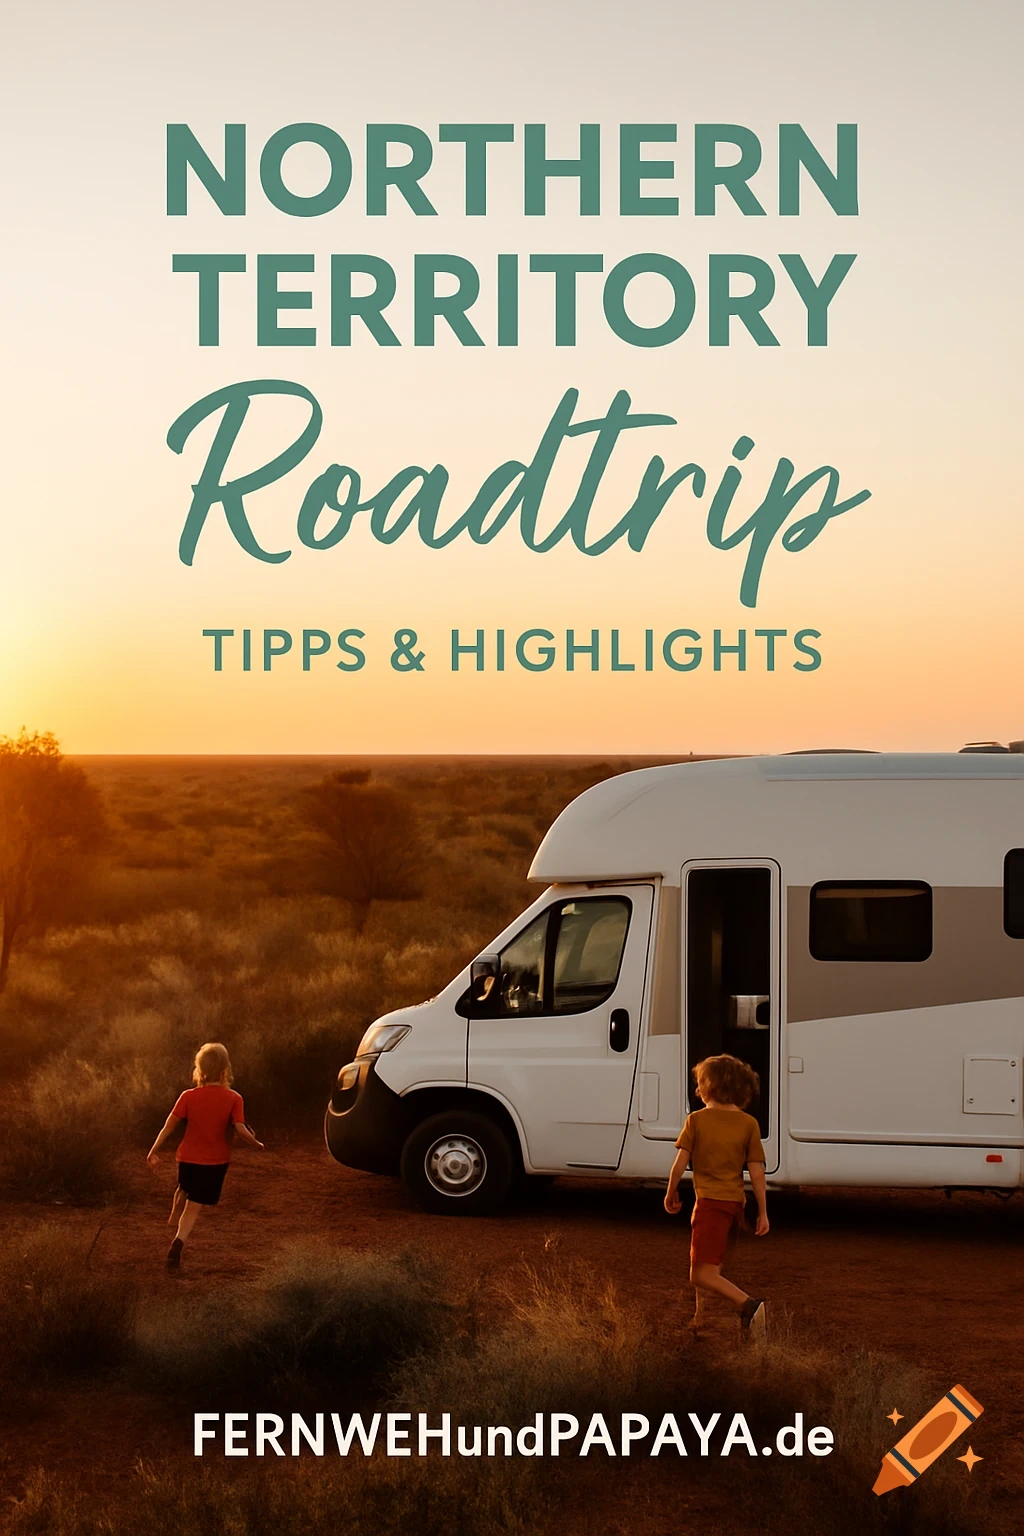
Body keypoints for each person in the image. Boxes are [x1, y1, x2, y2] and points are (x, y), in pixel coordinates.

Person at [664, 1053, 769, 1336]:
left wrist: (670, 1191)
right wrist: (763, 1212)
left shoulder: (696, 1120)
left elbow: (680, 1164)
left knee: (700, 1273)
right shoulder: (749, 1123)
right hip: (735, 1204)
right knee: (711, 1265)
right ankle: (702, 1318)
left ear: (708, 1087)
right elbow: (756, 1173)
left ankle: (748, 1305)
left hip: (709, 1205)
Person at [146, 1041, 264, 1270]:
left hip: (186, 1159)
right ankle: (177, 1245)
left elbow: (168, 1126)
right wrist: (256, 1144)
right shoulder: (233, 1098)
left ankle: (182, 1190)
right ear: (225, 1070)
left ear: (200, 1070)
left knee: (188, 1190)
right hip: (214, 1163)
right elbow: (240, 1129)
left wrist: (153, 1150)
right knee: (194, 1207)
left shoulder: (188, 1096)